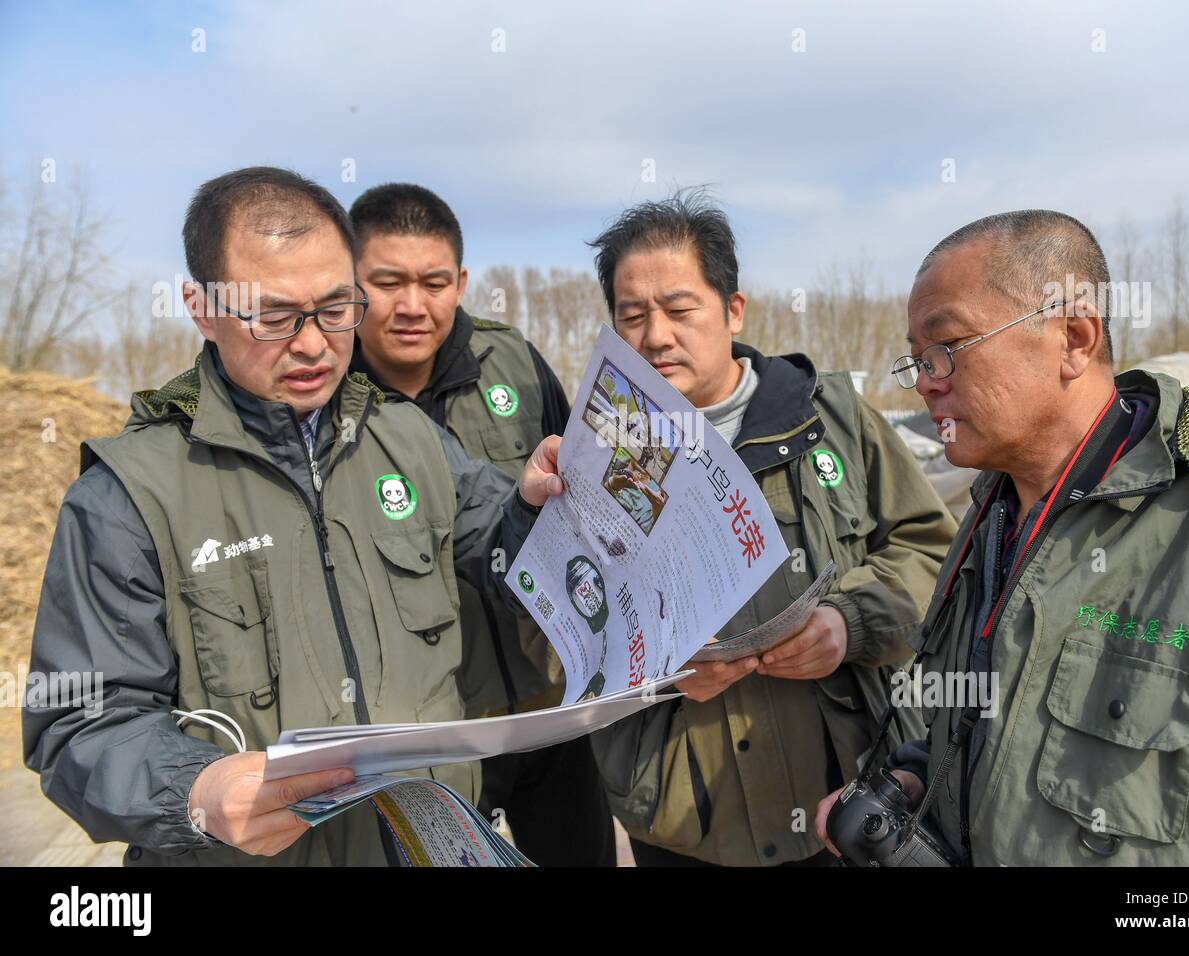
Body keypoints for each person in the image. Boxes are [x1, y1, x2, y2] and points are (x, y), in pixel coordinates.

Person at [23, 167, 564, 866]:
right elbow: (78, 722)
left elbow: (498, 548)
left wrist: (531, 503)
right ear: (201, 306)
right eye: (274, 317)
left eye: (338, 308)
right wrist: (195, 788)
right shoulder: (129, 494)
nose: (313, 344)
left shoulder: (410, 438)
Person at [816, 209, 1189, 865]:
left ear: (1072, 337)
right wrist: (909, 779)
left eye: (946, 348)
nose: (926, 379)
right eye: (917, 358)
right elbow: (978, 717)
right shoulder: (991, 511)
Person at [587, 190, 957, 866]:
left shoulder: (832, 418)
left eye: (678, 309)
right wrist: (655, 669)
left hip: (845, 800)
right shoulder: (605, 451)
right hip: (686, 819)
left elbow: (932, 551)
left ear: (733, 310)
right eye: (631, 315)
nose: (655, 335)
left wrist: (850, 623)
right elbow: (568, 628)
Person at [347, 182, 615, 866]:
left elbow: (580, 501)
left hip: (550, 710)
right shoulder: (326, 396)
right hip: (430, 732)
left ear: (461, 281)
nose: (413, 305)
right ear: (348, 283)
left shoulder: (515, 365)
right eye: (387, 282)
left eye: (434, 282)